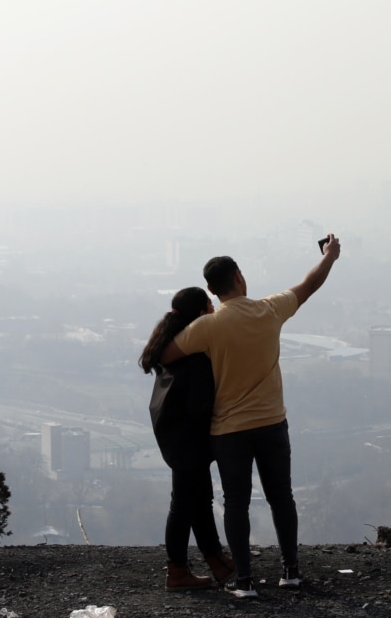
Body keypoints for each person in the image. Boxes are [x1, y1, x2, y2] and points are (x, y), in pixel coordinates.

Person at [161, 234, 342, 598]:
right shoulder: (270, 310)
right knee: (282, 497)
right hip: (272, 423)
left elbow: (165, 355)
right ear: (240, 278)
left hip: (228, 431)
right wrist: (330, 256)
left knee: (236, 504)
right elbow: (309, 285)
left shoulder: (207, 327)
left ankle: (243, 581)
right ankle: (290, 571)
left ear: (212, 292)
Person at [138, 286, 235, 592]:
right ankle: (177, 570)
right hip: (188, 439)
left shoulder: (175, 346)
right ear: (201, 313)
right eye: (210, 306)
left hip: (178, 438)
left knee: (198, 500)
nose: (214, 312)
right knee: (184, 504)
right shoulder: (192, 355)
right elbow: (200, 404)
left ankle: (216, 559)